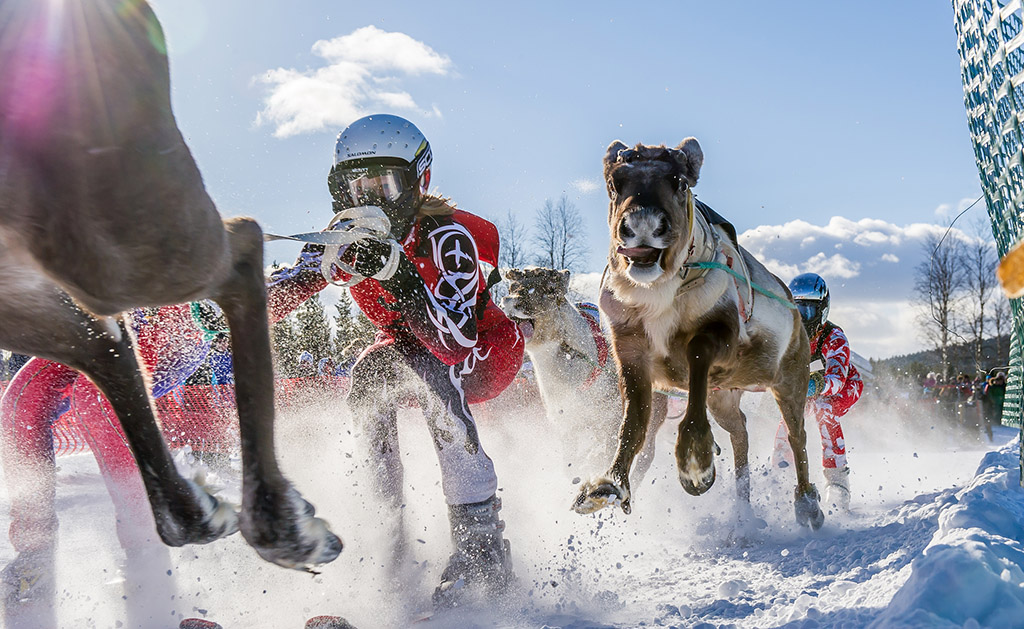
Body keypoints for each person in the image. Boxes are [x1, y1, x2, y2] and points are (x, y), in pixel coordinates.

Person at [269, 114, 524, 608]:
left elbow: (454, 341)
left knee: (431, 372)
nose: (369, 201)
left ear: (416, 182)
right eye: (356, 187)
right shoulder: (347, 236)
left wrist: (396, 272)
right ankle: (389, 534)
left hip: (484, 350)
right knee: (368, 373)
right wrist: (219, 315)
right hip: (412, 347)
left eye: (384, 185)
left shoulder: (447, 238)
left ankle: (481, 548)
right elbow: (291, 287)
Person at [773, 273, 863, 512]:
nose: (802, 319)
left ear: (822, 311)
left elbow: (837, 378)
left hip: (843, 387)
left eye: (808, 312)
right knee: (790, 415)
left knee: (824, 410)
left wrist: (814, 385)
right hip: (808, 390)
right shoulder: (789, 338)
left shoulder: (833, 337)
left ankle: (837, 481)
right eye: (796, 311)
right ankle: (780, 473)